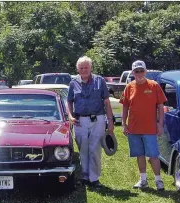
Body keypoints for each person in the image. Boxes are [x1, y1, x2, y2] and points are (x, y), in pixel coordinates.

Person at [67, 56, 115, 188]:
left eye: (86, 67)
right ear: (77, 69)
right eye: (81, 68)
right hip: (80, 120)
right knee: (83, 148)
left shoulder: (100, 81)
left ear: (91, 68)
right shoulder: (73, 83)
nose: (84, 70)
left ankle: (94, 178)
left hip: (98, 119)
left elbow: (106, 101)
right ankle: (84, 176)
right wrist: (70, 116)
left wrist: (110, 120)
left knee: (95, 149)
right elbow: (69, 101)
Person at [119, 60, 167, 191]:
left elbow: (160, 106)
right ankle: (143, 179)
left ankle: (158, 180)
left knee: (153, 155)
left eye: (141, 71)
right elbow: (125, 106)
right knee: (139, 154)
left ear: (145, 71)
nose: (139, 73)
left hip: (150, 128)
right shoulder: (129, 87)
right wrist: (124, 123)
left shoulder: (154, 85)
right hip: (134, 128)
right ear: (133, 73)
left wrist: (160, 124)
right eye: (136, 71)